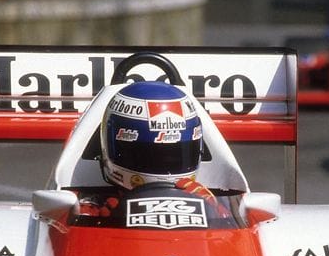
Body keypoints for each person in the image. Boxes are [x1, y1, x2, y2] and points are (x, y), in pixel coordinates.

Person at [79, 80, 224, 218]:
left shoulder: (208, 202)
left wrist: (213, 210)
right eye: (148, 155)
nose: (165, 164)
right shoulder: (94, 210)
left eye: (176, 155)